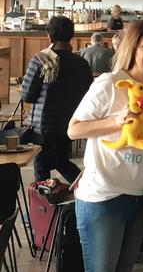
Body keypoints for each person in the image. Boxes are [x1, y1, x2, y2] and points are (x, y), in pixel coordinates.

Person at [67, 19, 143, 272]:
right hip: (103, 199)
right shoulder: (110, 83)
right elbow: (74, 129)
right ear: (132, 48)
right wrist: (115, 121)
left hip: (139, 198)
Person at [20, 16, 93, 183]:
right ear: (71, 36)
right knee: (61, 162)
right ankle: (84, 186)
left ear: (49, 36)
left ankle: (44, 205)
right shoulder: (81, 64)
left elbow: (26, 95)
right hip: (69, 124)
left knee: (41, 168)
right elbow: (89, 95)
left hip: (42, 126)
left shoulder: (41, 60)